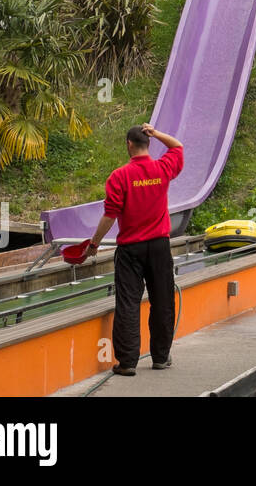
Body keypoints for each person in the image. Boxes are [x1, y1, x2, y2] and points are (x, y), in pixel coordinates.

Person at [86, 123, 184, 375]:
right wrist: (157, 132)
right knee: (162, 301)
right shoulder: (162, 168)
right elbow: (178, 146)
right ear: (148, 143)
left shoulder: (119, 176)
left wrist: (94, 243)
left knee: (128, 303)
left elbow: (110, 216)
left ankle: (128, 363)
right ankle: (161, 357)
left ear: (129, 144)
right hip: (160, 246)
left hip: (131, 249)